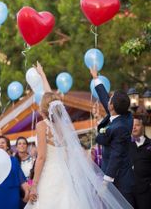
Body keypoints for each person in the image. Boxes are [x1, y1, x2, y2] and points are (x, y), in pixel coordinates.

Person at [24, 62, 133, 209]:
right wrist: (42, 74)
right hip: (64, 177)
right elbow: (51, 97)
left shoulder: (42, 126)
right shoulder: (62, 126)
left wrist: (34, 184)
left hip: (49, 176)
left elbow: (42, 157)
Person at [90, 67, 135, 205]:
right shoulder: (124, 115)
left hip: (119, 181)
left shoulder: (119, 128)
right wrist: (95, 78)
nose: (108, 99)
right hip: (114, 177)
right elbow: (104, 98)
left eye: (111, 99)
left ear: (112, 107)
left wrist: (105, 183)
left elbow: (116, 156)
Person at [0, 135, 29, 209]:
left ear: (7, 146)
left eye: (3, 142)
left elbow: (21, 179)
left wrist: (27, 192)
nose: (0, 144)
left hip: (12, 195)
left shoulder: (14, 160)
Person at [129, 118, 151, 209]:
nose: (134, 128)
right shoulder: (126, 145)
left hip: (146, 191)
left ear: (143, 127)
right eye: (131, 126)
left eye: (137, 125)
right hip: (129, 191)